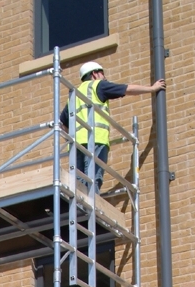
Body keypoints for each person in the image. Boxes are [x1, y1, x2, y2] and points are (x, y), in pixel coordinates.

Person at [60, 61, 166, 192]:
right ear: (94, 74)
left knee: (79, 181)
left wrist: (71, 137)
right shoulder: (98, 85)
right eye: (102, 74)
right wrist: (152, 88)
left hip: (76, 144)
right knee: (93, 179)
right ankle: (90, 210)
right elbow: (127, 89)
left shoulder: (74, 94)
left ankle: (78, 210)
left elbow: (62, 123)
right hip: (95, 139)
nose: (104, 77)